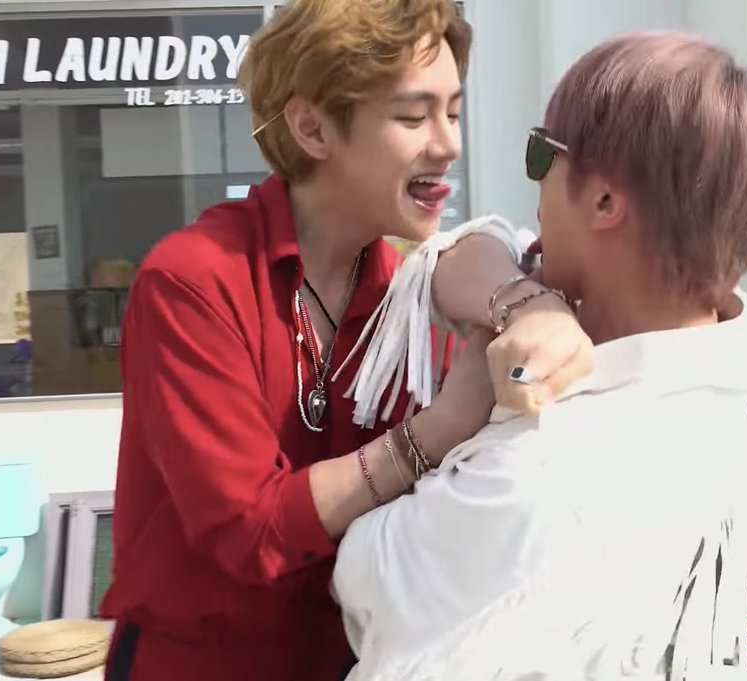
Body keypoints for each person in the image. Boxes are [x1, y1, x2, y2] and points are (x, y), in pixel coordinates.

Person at [98, 1, 593, 679]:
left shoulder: (412, 297)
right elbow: (249, 530)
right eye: (413, 117)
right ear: (312, 127)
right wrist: (436, 430)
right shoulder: (194, 282)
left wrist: (531, 302)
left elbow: (484, 249)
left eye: (453, 113)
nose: (448, 145)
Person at [333, 31, 747, 680]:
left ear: (605, 202)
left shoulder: (540, 478)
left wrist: (449, 424)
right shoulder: (717, 392)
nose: (534, 184)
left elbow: (363, 576)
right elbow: (470, 248)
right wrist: (525, 302)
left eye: (542, 154)